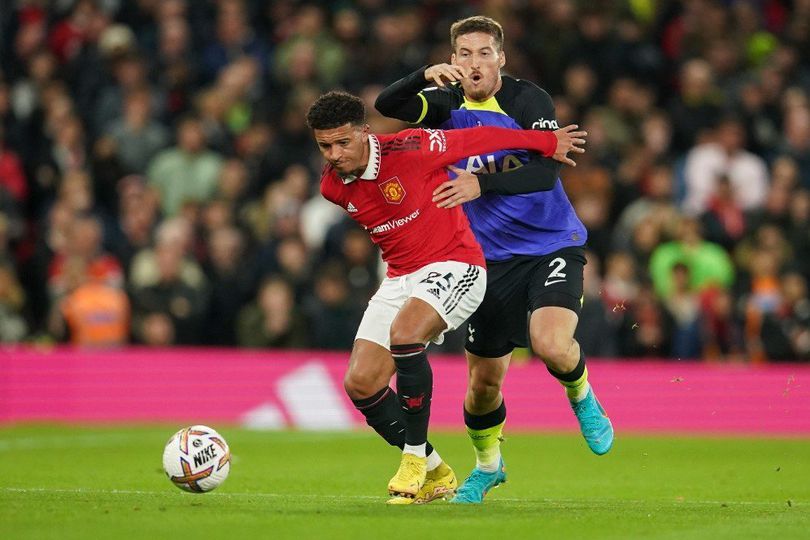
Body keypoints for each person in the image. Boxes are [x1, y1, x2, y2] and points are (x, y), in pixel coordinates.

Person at [375, 15, 614, 504]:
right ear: (454, 59)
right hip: (485, 261)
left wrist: (480, 183)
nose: (474, 62)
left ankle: (583, 397)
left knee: (551, 343)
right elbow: (386, 105)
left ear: (501, 57)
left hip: (551, 244)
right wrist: (423, 76)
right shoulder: (443, 104)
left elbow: (545, 173)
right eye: (464, 53)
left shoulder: (529, 101)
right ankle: (489, 468)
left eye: (484, 52)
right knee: (483, 385)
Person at [306, 90, 585, 504]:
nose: (334, 153)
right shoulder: (333, 187)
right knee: (361, 384)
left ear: (365, 132)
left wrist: (547, 142)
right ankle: (437, 472)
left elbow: (482, 139)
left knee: (405, 335)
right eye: (324, 145)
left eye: (343, 142)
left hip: (457, 265)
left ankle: (414, 458)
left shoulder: (414, 146)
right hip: (401, 277)